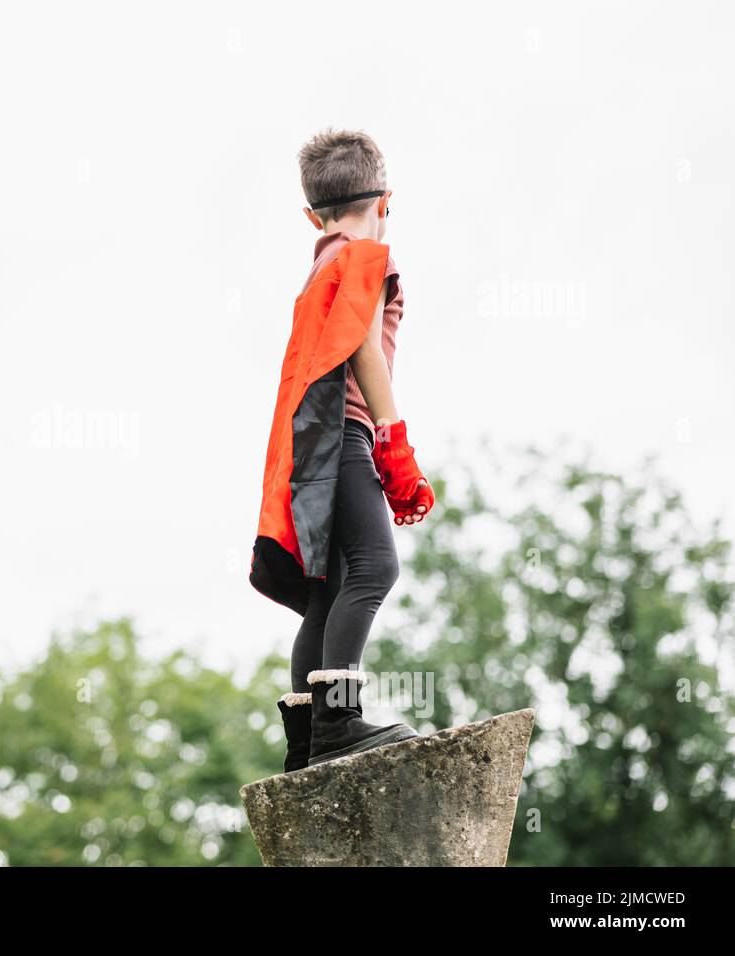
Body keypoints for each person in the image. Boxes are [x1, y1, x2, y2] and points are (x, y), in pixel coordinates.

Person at [249, 129, 435, 770]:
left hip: (308, 448)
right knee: (377, 568)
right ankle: (337, 721)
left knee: (328, 591)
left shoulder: (319, 264)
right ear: (386, 201)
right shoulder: (363, 258)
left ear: (311, 215)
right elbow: (361, 347)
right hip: (342, 434)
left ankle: (304, 742)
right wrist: (393, 440)